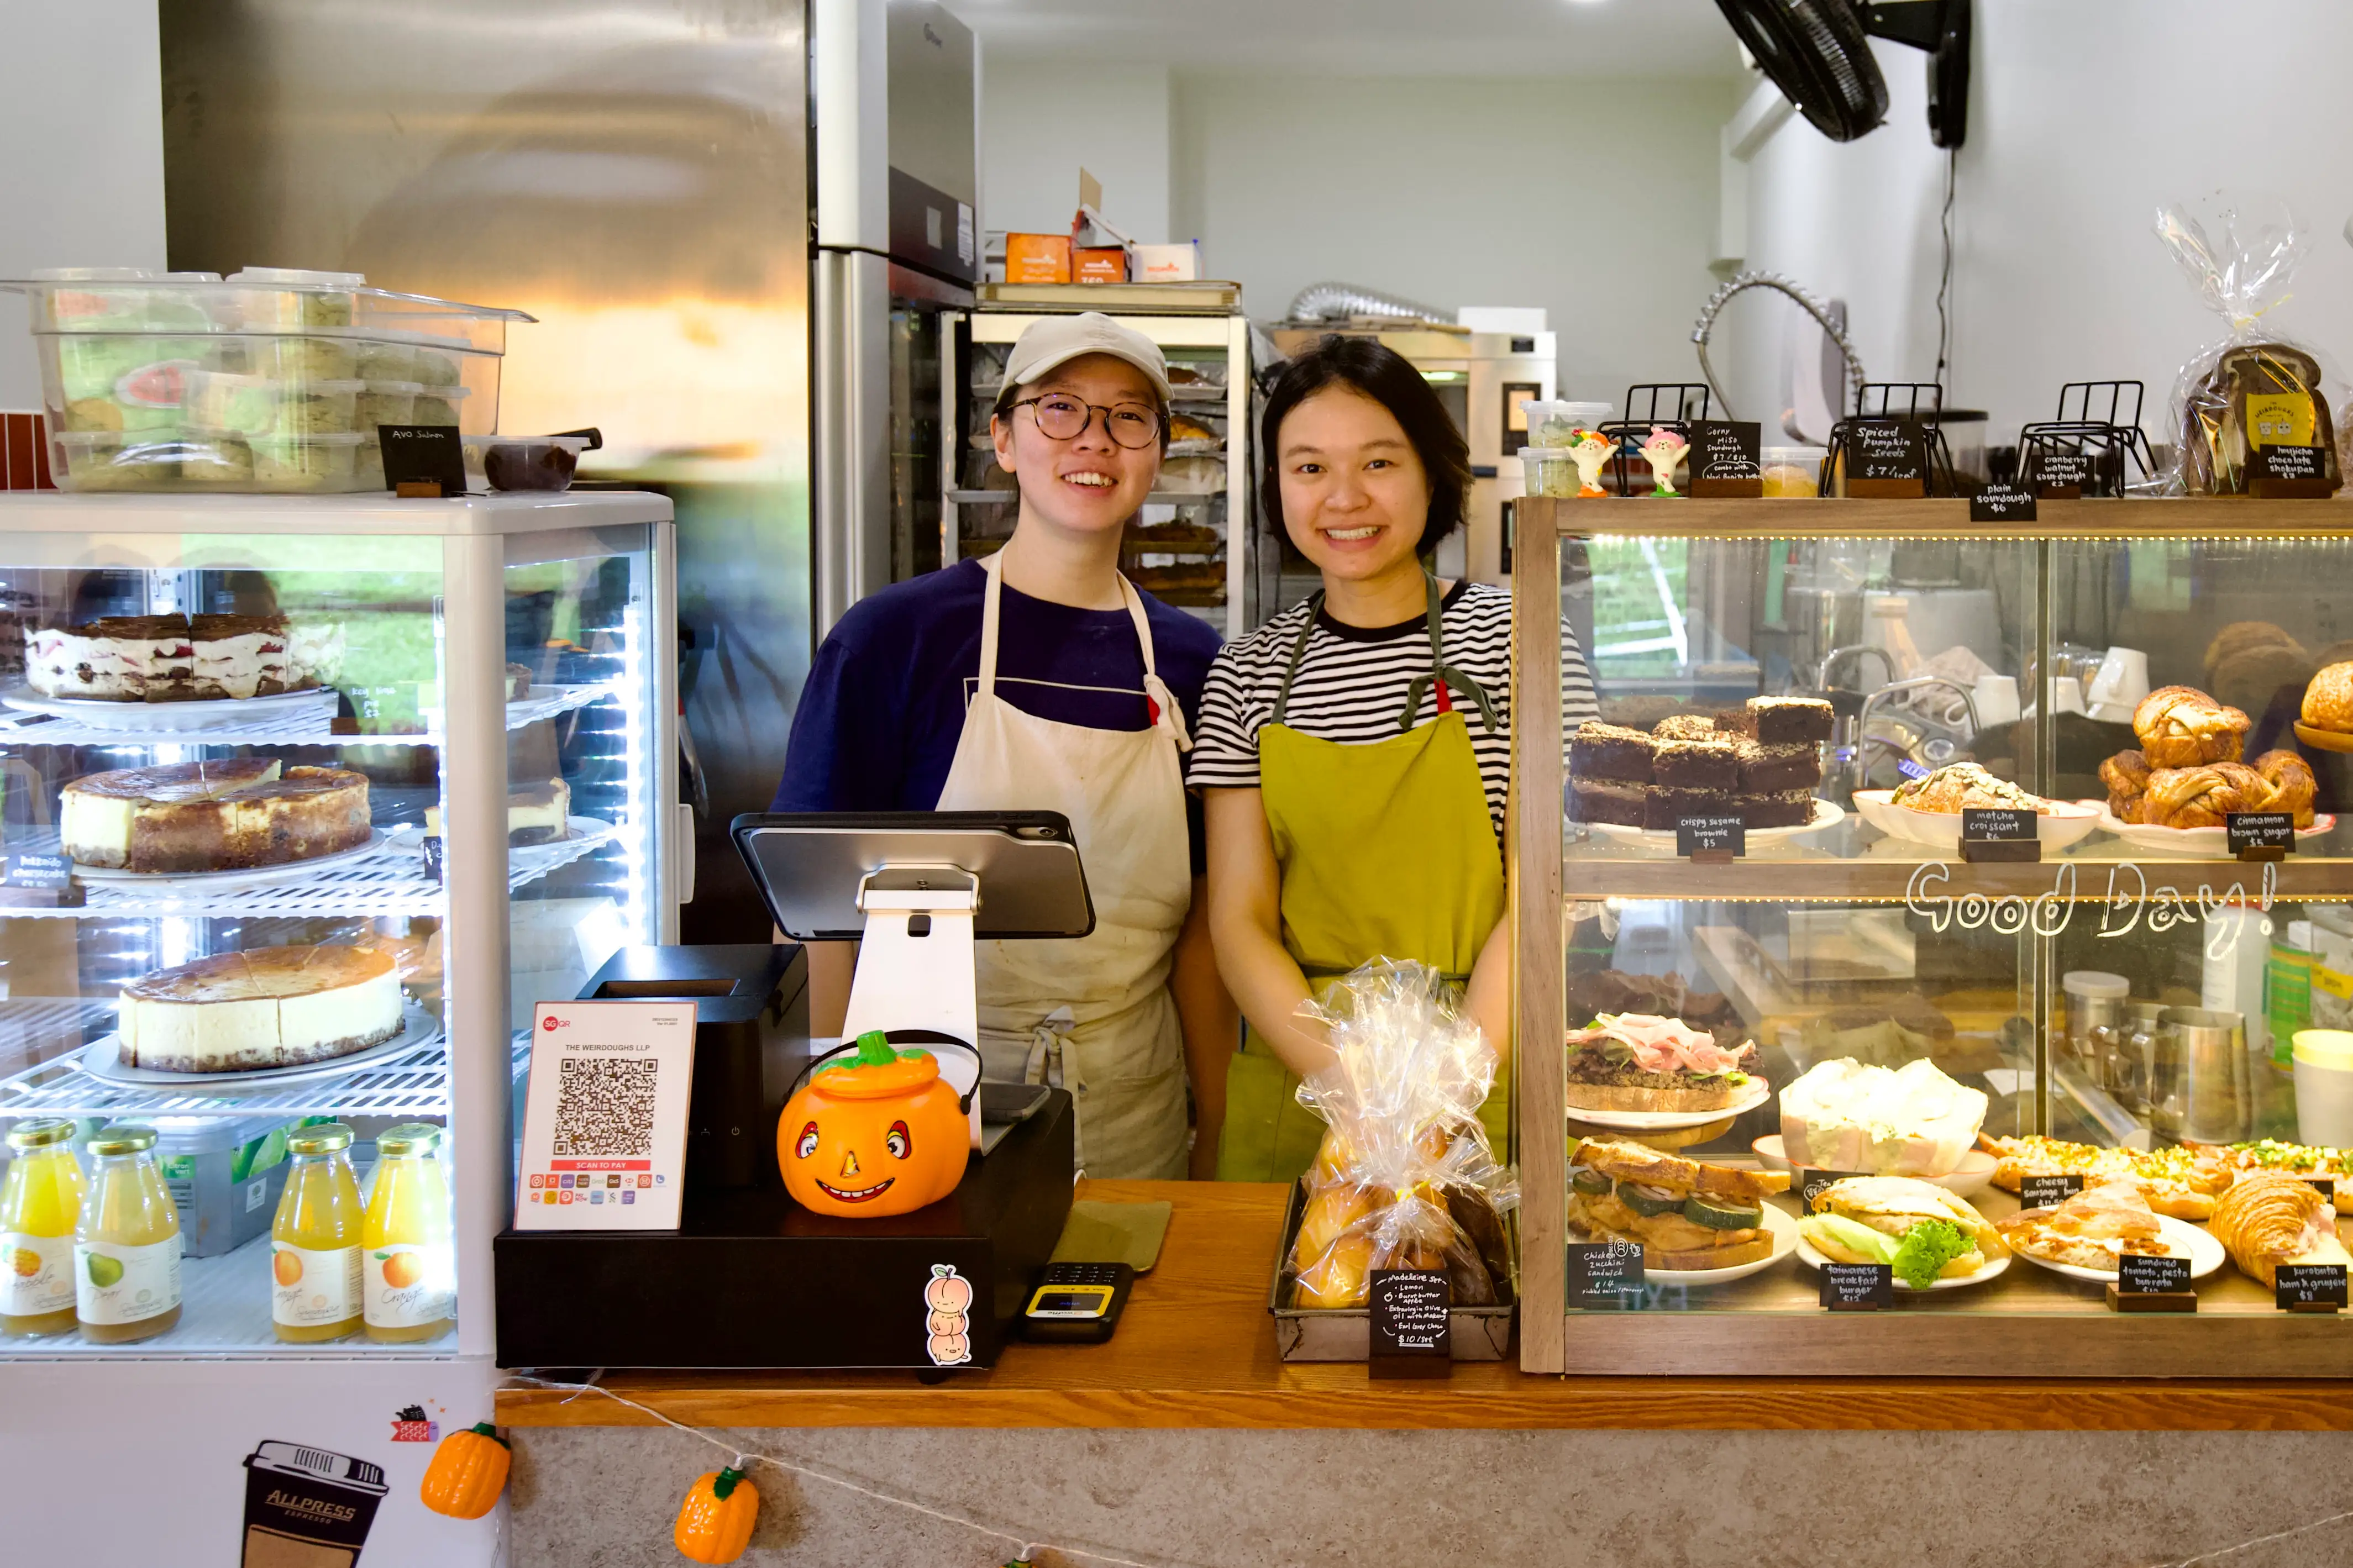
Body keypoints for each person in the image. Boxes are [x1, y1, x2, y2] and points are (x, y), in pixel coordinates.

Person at [773, 312, 1234, 1180]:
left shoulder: (1190, 662)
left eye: (1128, 416)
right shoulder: (893, 639)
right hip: (918, 1104)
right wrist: (828, 1105)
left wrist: (1215, 1127)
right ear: (1004, 438)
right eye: (1059, 408)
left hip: (1132, 1103)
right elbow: (815, 913)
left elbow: (1202, 928)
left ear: (1159, 451)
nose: (1094, 440)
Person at [1188, 335, 1599, 1182]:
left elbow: (1548, 886)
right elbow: (1237, 920)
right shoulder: (1247, 671)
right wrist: (1352, 1086)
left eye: (1378, 461)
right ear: (1276, 488)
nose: (1344, 497)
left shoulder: (1520, 637)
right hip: (1308, 1080)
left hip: (1491, 1061)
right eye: (1307, 468)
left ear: (1431, 472)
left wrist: (1444, 1088)